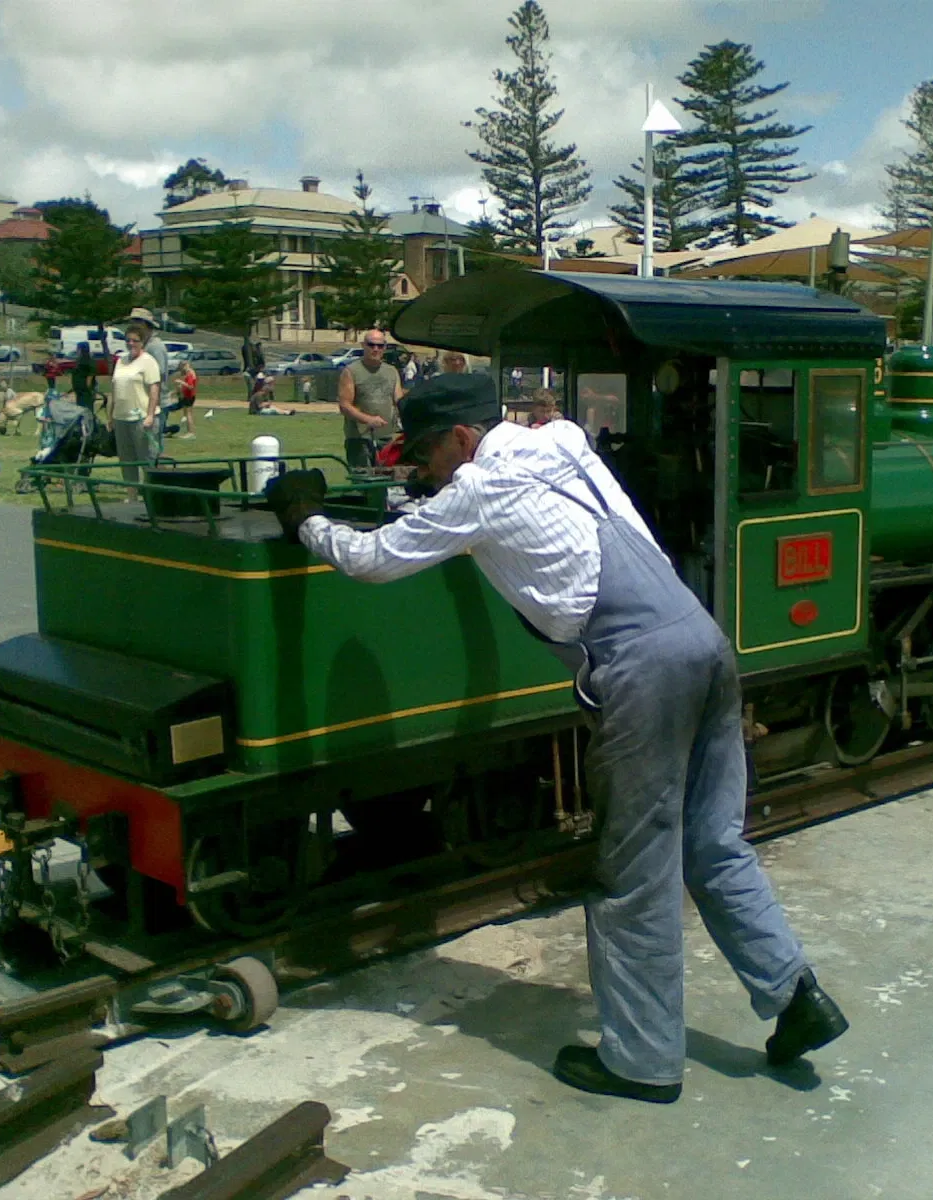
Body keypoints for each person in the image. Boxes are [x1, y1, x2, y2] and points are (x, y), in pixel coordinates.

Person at [269, 373, 848, 1105]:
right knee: (714, 841)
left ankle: (642, 1060)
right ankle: (797, 996)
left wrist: (306, 520)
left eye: (425, 455)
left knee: (631, 871)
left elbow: (372, 560)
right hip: (702, 641)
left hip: (637, 666)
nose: (422, 472)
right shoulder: (565, 441)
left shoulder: (478, 490)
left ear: (462, 439)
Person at [338, 330, 403, 467]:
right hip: (359, 438)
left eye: (380, 346)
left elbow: (399, 401)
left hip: (385, 437)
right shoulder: (351, 371)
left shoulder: (391, 371)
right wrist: (368, 420)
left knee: (386, 480)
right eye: (371, 345)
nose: (375, 349)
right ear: (363, 345)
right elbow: (344, 405)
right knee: (363, 481)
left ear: (385, 347)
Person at [110, 327, 162, 483]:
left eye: (135, 340)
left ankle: (151, 494)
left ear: (142, 342)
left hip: (141, 418)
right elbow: (114, 389)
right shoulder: (121, 361)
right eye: (128, 340)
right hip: (121, 418)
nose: (131, 343)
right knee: (126, 460)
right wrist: (111, 416)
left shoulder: (148, 361)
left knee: (146, 458)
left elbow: (154, 389)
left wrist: (150, 415)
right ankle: (131, 496)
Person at [172, 361, 199, 438]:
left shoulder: (190, 373)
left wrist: (181, 382)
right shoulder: (190, 373)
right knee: (187, 414)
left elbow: (191, 386)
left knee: (188, 414)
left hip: (189, 396)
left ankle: (191, 432)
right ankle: (189, 431)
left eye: (181, 368)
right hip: (188, 396)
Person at [70, 342, 98, 411]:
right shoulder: (81, 361)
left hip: (85, 391)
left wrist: (89, 390)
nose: (76, 350)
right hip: (80, 391)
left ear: (82, 350)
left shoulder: (87, 361)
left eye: (78, 349)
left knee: (85, 410)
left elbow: (89, 378)